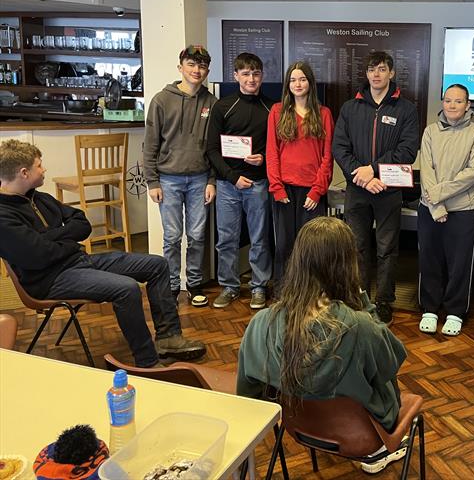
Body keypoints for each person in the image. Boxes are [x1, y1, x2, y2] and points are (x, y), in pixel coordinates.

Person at [0, 140, 206, 367]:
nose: (44, 169)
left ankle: (168, 338)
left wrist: (52, 236)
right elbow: (39, 256)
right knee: (126, 288)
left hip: (78, 261)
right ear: (24, 172)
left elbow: (82, 223)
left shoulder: (39, 198)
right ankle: (146, 362)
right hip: (49, 280)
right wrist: (66, 239)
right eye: (39, 165)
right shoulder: (4, 217)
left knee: (157, 265)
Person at [237, 216, 408, 474]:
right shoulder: (360, 326)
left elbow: (248, 392)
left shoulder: (262, 322)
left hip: (298, 427)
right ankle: (381, 451)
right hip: (365, 436)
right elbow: (390, 362)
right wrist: (362, 300)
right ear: (347, 266)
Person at [332, 51, 419, 325]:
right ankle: (359, 297)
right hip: (357, 187)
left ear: (391, 73)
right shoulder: (350, 107)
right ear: (366, 74)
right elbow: (339, 147)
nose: (376, 75)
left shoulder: (406, 109)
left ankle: (383, 301)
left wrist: (375, 170)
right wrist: (361, 174)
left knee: (387, 248)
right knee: (356, 246)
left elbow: (407, 150)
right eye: (371, 70)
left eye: (382, 69)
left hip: (388, 189)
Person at [143, 45, 217, 307]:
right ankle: (172, 285)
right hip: (168, 179)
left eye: (202, 66)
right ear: (180, 68)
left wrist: (211, 181)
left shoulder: (211, 103)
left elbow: (215, 148)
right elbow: (150, 143)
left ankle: (194, 284)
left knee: (197, 235)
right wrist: (152, 181)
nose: (197, 71)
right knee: (172, 236)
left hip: (200, 179)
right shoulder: (162, 100)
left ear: (207, 70)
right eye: (192, 65)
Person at [206, 52, 273, 310]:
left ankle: (258, 287)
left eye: (255, 73)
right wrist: (233, 178)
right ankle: (230, 286)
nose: (251, 79)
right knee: (226, 239)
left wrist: (263, 159)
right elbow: (212, 150)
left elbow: (278, 148)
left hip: (259, 184)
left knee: (259, 239)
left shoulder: (272, 108)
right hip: (228, 185)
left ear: (262, 76)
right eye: (245, 73)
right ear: (236, 76)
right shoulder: (222, 107)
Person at [417, 84, 474, 337]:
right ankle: (430, 308)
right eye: (448, 100)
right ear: (442, 103)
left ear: (468, 105)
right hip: (431, 209)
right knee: (430, 260)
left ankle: (456, 312)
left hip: (463, 209)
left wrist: (437, 195)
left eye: (459, 101)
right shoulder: (430, 132)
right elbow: (426, 169)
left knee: (460, 264)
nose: (453, 105)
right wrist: (435, 205)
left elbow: (471, 173)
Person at [266, 61, 334, 291]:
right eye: (293, 79)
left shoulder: (324, 114)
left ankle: (312, 291)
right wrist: (276, 187)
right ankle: (284, 291)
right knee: (284, 244)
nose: (298, 84)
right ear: (287, 84)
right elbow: (271, 152)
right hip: (284, 190)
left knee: (312, 245)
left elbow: (327, 156)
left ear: (310, 83)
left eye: (302, 79)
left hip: (312, 192)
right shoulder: (277, 111)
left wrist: (317, 190)